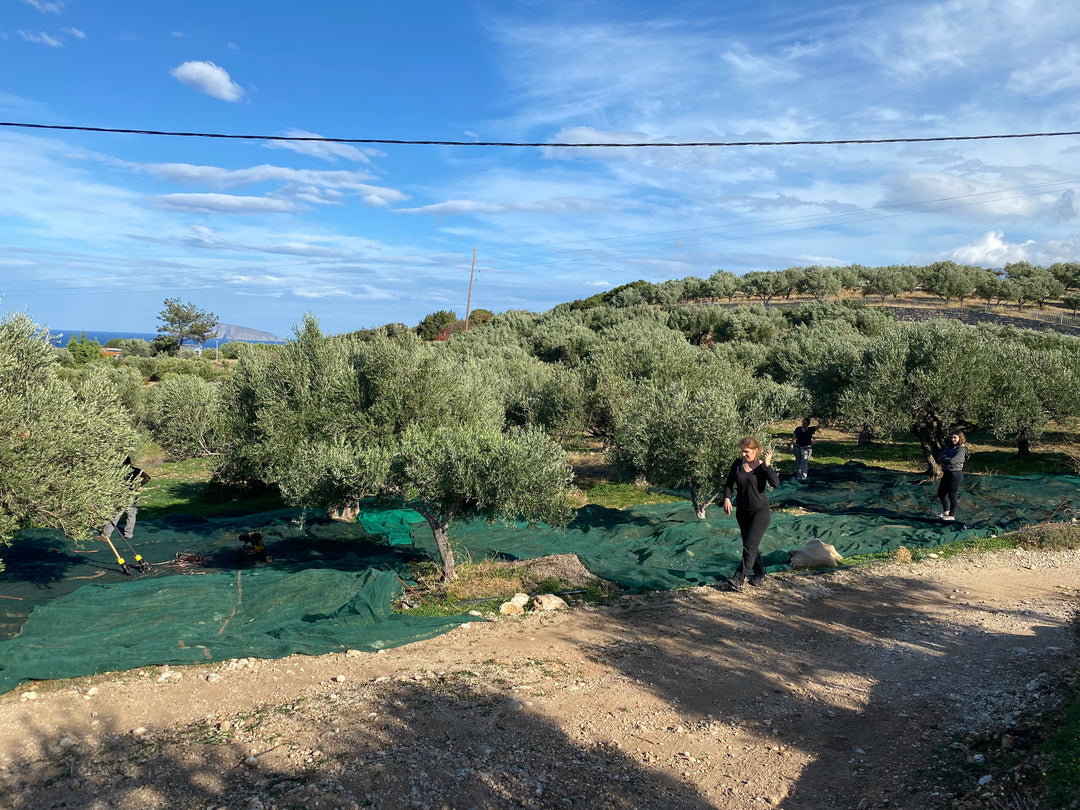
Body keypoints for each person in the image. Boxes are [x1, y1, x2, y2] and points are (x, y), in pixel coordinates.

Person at [723, 437, 780, 591]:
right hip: (742, 512)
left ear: (756, 451)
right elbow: (729, 483)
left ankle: (739, 578)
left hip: (760, 512)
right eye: (742, 451)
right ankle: (760, 573)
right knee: (751, 545)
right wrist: (727, 498)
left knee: (749, 545)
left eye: (747, 451)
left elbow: (775, 483)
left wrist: (768, 465)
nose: (744, 454)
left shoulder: (762, 467)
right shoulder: (738, 464)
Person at [97, 457, 151, 572]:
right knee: (132, 514)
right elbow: (147, 477)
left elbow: (147, 477)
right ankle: (128, 534)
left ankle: (106, 534)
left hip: (124, 495)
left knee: (117, 513)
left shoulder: (121, 471)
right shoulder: (135, 470)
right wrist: (138, 486)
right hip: (131, 494)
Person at [936, 430, 970, 522]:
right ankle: (946, 511)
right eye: (952, 438)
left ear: (960, 438)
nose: (953, 439)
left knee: (952, 495)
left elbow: (953, 461)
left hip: (955, 474)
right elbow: (940, 458)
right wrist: (946, 459)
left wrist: (945, 459)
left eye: (955, 438)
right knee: (941, 493)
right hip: (946, 472)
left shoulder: (962, 449)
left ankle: (951, 515)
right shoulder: (949, 447)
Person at [792, 417, 817, 481]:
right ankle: (798, 476)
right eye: (803, 422)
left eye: (805, 423)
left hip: (806, 448)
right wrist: (792, 444)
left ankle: (803, 477)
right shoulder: (798, 429)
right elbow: (794, 437)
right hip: (798, 447)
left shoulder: (810, 429)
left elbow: (818, 427)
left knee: (804, 462)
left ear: (808, 424)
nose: (803, 424)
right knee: (798, 462)